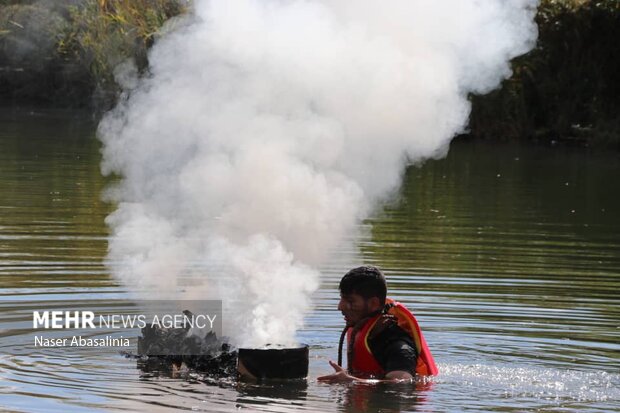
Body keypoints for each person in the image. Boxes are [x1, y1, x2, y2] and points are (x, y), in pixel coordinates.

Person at [318, 265, 438, 383]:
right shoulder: (363, 331)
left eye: (350, 301)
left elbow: (401, 384)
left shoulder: (398, 346)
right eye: (341, 299)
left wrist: (351, 380)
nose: (340, 307)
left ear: (373, 303)